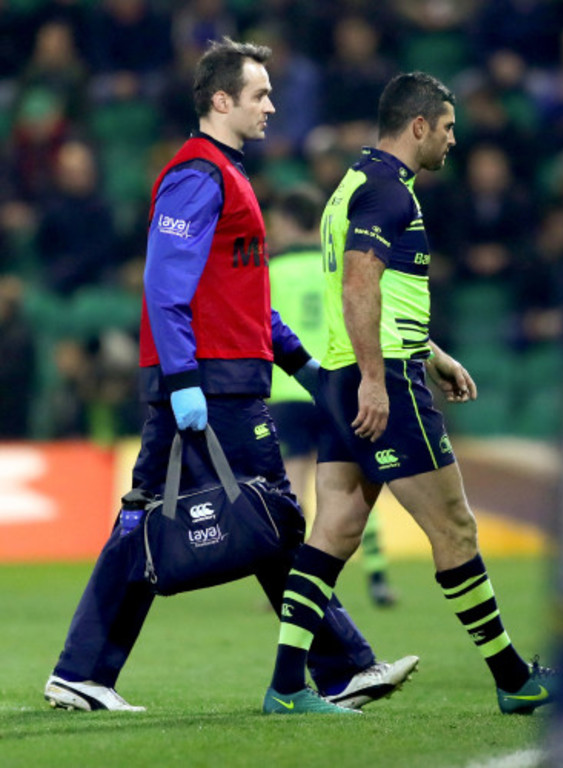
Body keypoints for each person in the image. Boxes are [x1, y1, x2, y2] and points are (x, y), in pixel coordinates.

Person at [44, 38, 418, 713]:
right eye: (260, 94)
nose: (273, 105)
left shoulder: (229, 174)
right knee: (272, 513)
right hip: (211, 382)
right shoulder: (197, 175)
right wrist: (185, 380)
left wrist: (301, 364)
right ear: (222, 101)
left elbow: (242, 295)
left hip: (223, 372)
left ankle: (82, 671)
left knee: (147, 520)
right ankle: (340, 667)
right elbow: (164, 285)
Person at [263, 71, 556, 715]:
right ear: (417, 125)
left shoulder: (350, 186)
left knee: (335, 530)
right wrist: (380, 378)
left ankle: (286, 686)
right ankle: (514, 678)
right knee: (454, 526)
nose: (453, 140)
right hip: (380, 380)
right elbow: (360, 288)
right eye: (447, 127)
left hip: (344, 379)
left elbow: (385, 296)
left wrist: (437, 354)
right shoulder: (388, 194)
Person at [267, 184, 398, 607]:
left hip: (288, 388)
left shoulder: (271, 271)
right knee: (357, 480)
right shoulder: (338, 267)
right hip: (337, 384)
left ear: (287, 221)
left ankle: (289, 580)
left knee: (294, 487)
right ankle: (377, 574)